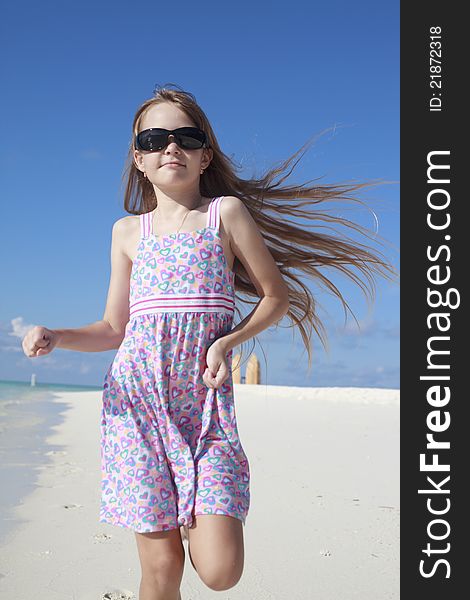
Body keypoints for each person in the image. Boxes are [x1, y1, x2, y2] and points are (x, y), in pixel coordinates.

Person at [22, 84, 397, 600]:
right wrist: (57, 335)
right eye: (154, 138)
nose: (169, 146)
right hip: (138, 408)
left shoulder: (226, 215)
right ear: (138, 159)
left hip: (206, 411)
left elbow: (275, 298)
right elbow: (113, 329)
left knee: (221, 571)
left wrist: (228, 343)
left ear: (204, 155)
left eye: (185, 136)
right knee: (162, 567)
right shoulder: (127, 233)